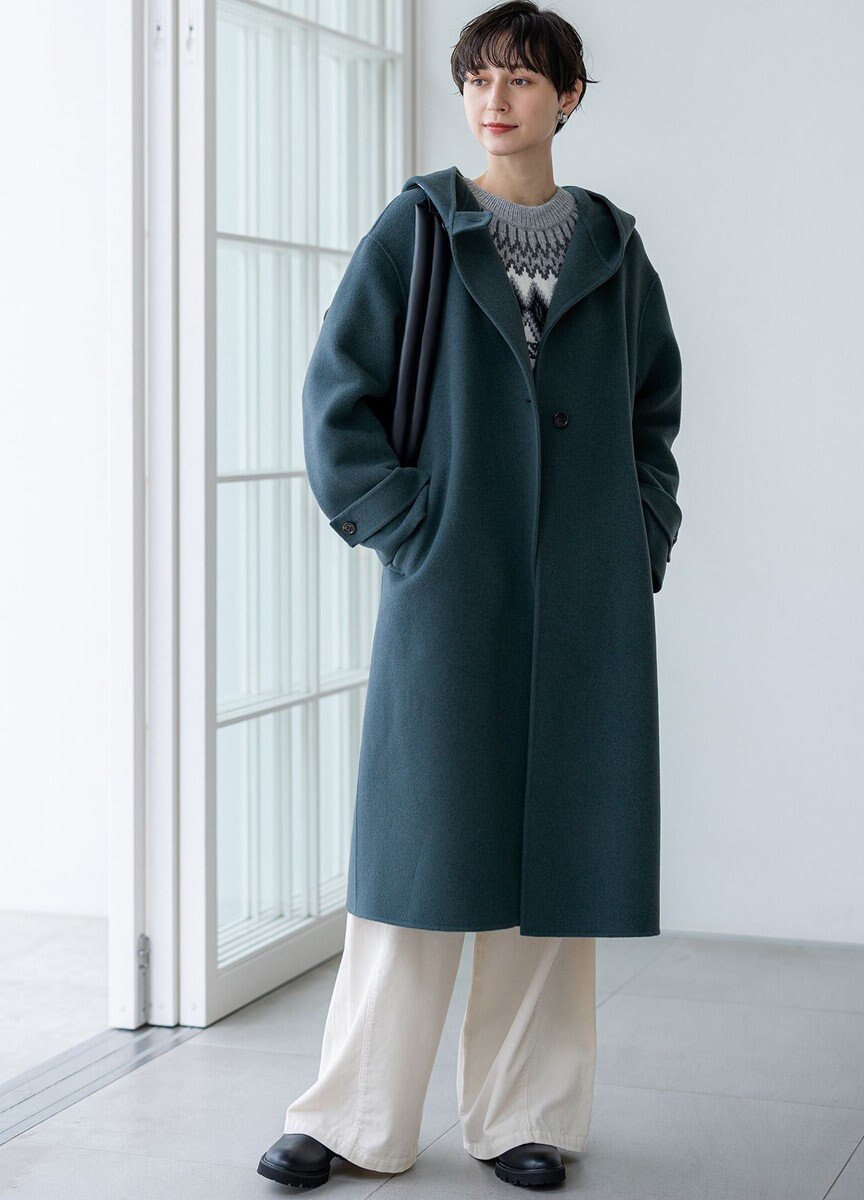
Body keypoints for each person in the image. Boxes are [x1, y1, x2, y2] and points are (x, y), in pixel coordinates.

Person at [258, 0, 683, 1189]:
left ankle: (526, 1117)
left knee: (560, 858)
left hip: (587, 594)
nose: (495, 99)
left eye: (523, 79)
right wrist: (409, 527)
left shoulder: (614, 247)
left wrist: (640, 533)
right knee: (417, 854)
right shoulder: (418, 228)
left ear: (568, 97)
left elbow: (652, 411)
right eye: (479, 78)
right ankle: (352, 1117)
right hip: (452, 582)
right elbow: (336, 399)